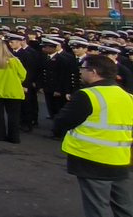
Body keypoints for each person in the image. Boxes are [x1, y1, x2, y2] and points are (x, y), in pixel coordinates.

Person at [53, 55, 132, 217]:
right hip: (120, 159)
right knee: (123, 206)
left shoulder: (88, 95)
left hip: (92, 159)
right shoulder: (128, 96)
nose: (80, 72)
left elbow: (63, 121)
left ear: (94, 72)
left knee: (97, 207)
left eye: (83, 69)